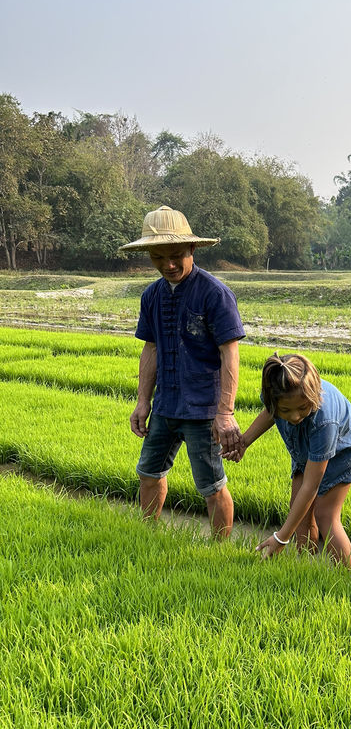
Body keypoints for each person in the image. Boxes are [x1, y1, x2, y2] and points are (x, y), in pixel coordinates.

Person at [119, 205, 245, 538]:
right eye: (158, 258)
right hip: (165, 405)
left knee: (211, 485)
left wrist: (225, 412)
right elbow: (151, 348)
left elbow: (229, 353)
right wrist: (143, 401)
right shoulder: (152, 295)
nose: (168, 265)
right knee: (148, 472)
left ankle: (220, 550)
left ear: (191, 249)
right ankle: (148, 534)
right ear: (149, 256)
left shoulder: (214, 293)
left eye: (176, 255)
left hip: (203, 410)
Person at [236, 353, 351, 566]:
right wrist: (244, 442)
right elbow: (270, 413)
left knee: (326, 515)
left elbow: (311, 486)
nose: (295, 416)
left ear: (313, 395)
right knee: (299, 511)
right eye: (285, 410)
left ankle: (344, 578)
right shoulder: (278, 393)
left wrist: (281, 537)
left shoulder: (324, 421)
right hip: (303, 443)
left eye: (303, 408)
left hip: (341, 451)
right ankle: (304, 564)